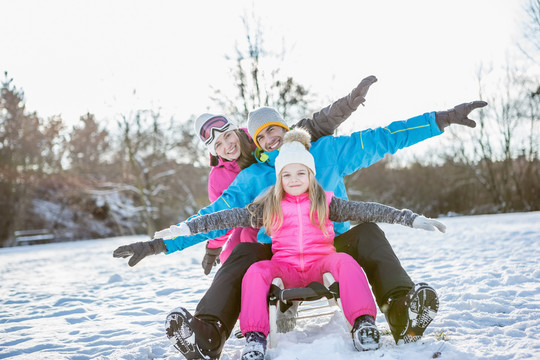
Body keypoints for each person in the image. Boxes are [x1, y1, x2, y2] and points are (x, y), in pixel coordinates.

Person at [113, 88, 487, 359]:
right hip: (282, 251)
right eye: (264, 137)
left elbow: (383, 139)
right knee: (243, 251)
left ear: (286, 128)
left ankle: (403, 313)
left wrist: (440, 120)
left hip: (334, 243)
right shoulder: (255, 178)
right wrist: (159, 242)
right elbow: (213, 219)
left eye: (276, 130)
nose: (273, 140)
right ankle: (207, 334)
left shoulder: (325, 152)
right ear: (257, 145)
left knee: (369, 231)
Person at [160, 128, 446, 359]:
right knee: (256, 272)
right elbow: (224, 218)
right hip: (282, 266)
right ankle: (255, 338)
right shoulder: (268, 206)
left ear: (311, 174)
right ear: (279, 178)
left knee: (346, 261)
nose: (293, 179)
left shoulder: (326, 201)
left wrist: (410, 218)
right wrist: (187, 227)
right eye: (286, 174)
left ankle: (364, 324)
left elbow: (369, 210)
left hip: (322, 261)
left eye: (300, 173)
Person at [193, 75, 378, 274]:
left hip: (293, 216)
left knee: (252, 238)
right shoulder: (218, 178)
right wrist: (213, 247)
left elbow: (316, 125)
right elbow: (221, 214)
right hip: (254, 224)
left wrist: (348, 104)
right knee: (240, 246)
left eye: (227, 135)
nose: (227, 146)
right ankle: (242, 294)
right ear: (213, 152)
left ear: (236, 131)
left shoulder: (265, 137)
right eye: (218, 145)